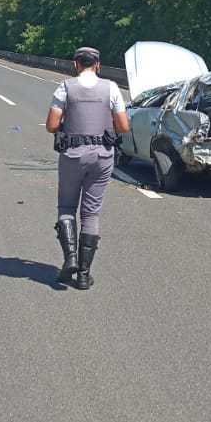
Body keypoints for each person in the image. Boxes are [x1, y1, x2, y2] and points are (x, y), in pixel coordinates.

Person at [45, 46, 130, 290]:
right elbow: (123, 126)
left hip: (72, 155)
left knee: (66, 207)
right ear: (98, 64)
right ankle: (83, 274)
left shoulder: (65, 87)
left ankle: (70, 256)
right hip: (102, 157)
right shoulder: (111, 87)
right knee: (91, 213)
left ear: (75, 64)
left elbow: (52, 125)